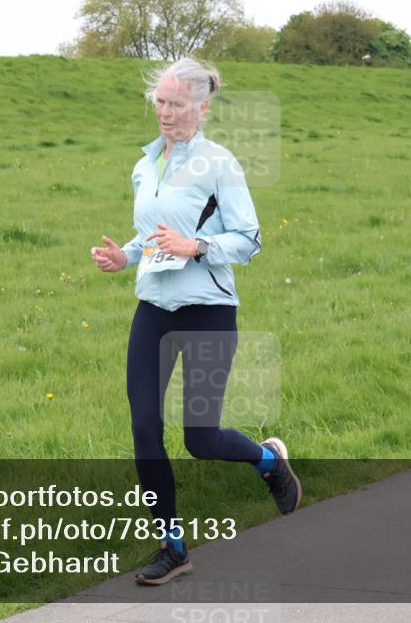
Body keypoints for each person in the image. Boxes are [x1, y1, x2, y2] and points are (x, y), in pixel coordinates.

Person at [91, 57, 300, 585]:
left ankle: (269, 462)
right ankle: (172, 546)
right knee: (144, 428)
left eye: (177, 104)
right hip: (153, 311)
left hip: (208, 311)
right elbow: (158, 233)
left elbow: (248, 239)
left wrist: (198, 246)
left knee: (200, 439)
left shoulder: (221, 164)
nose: (165, 113)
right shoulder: (144, 164)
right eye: (159, 102)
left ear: (202, 107)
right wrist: (128, 256)